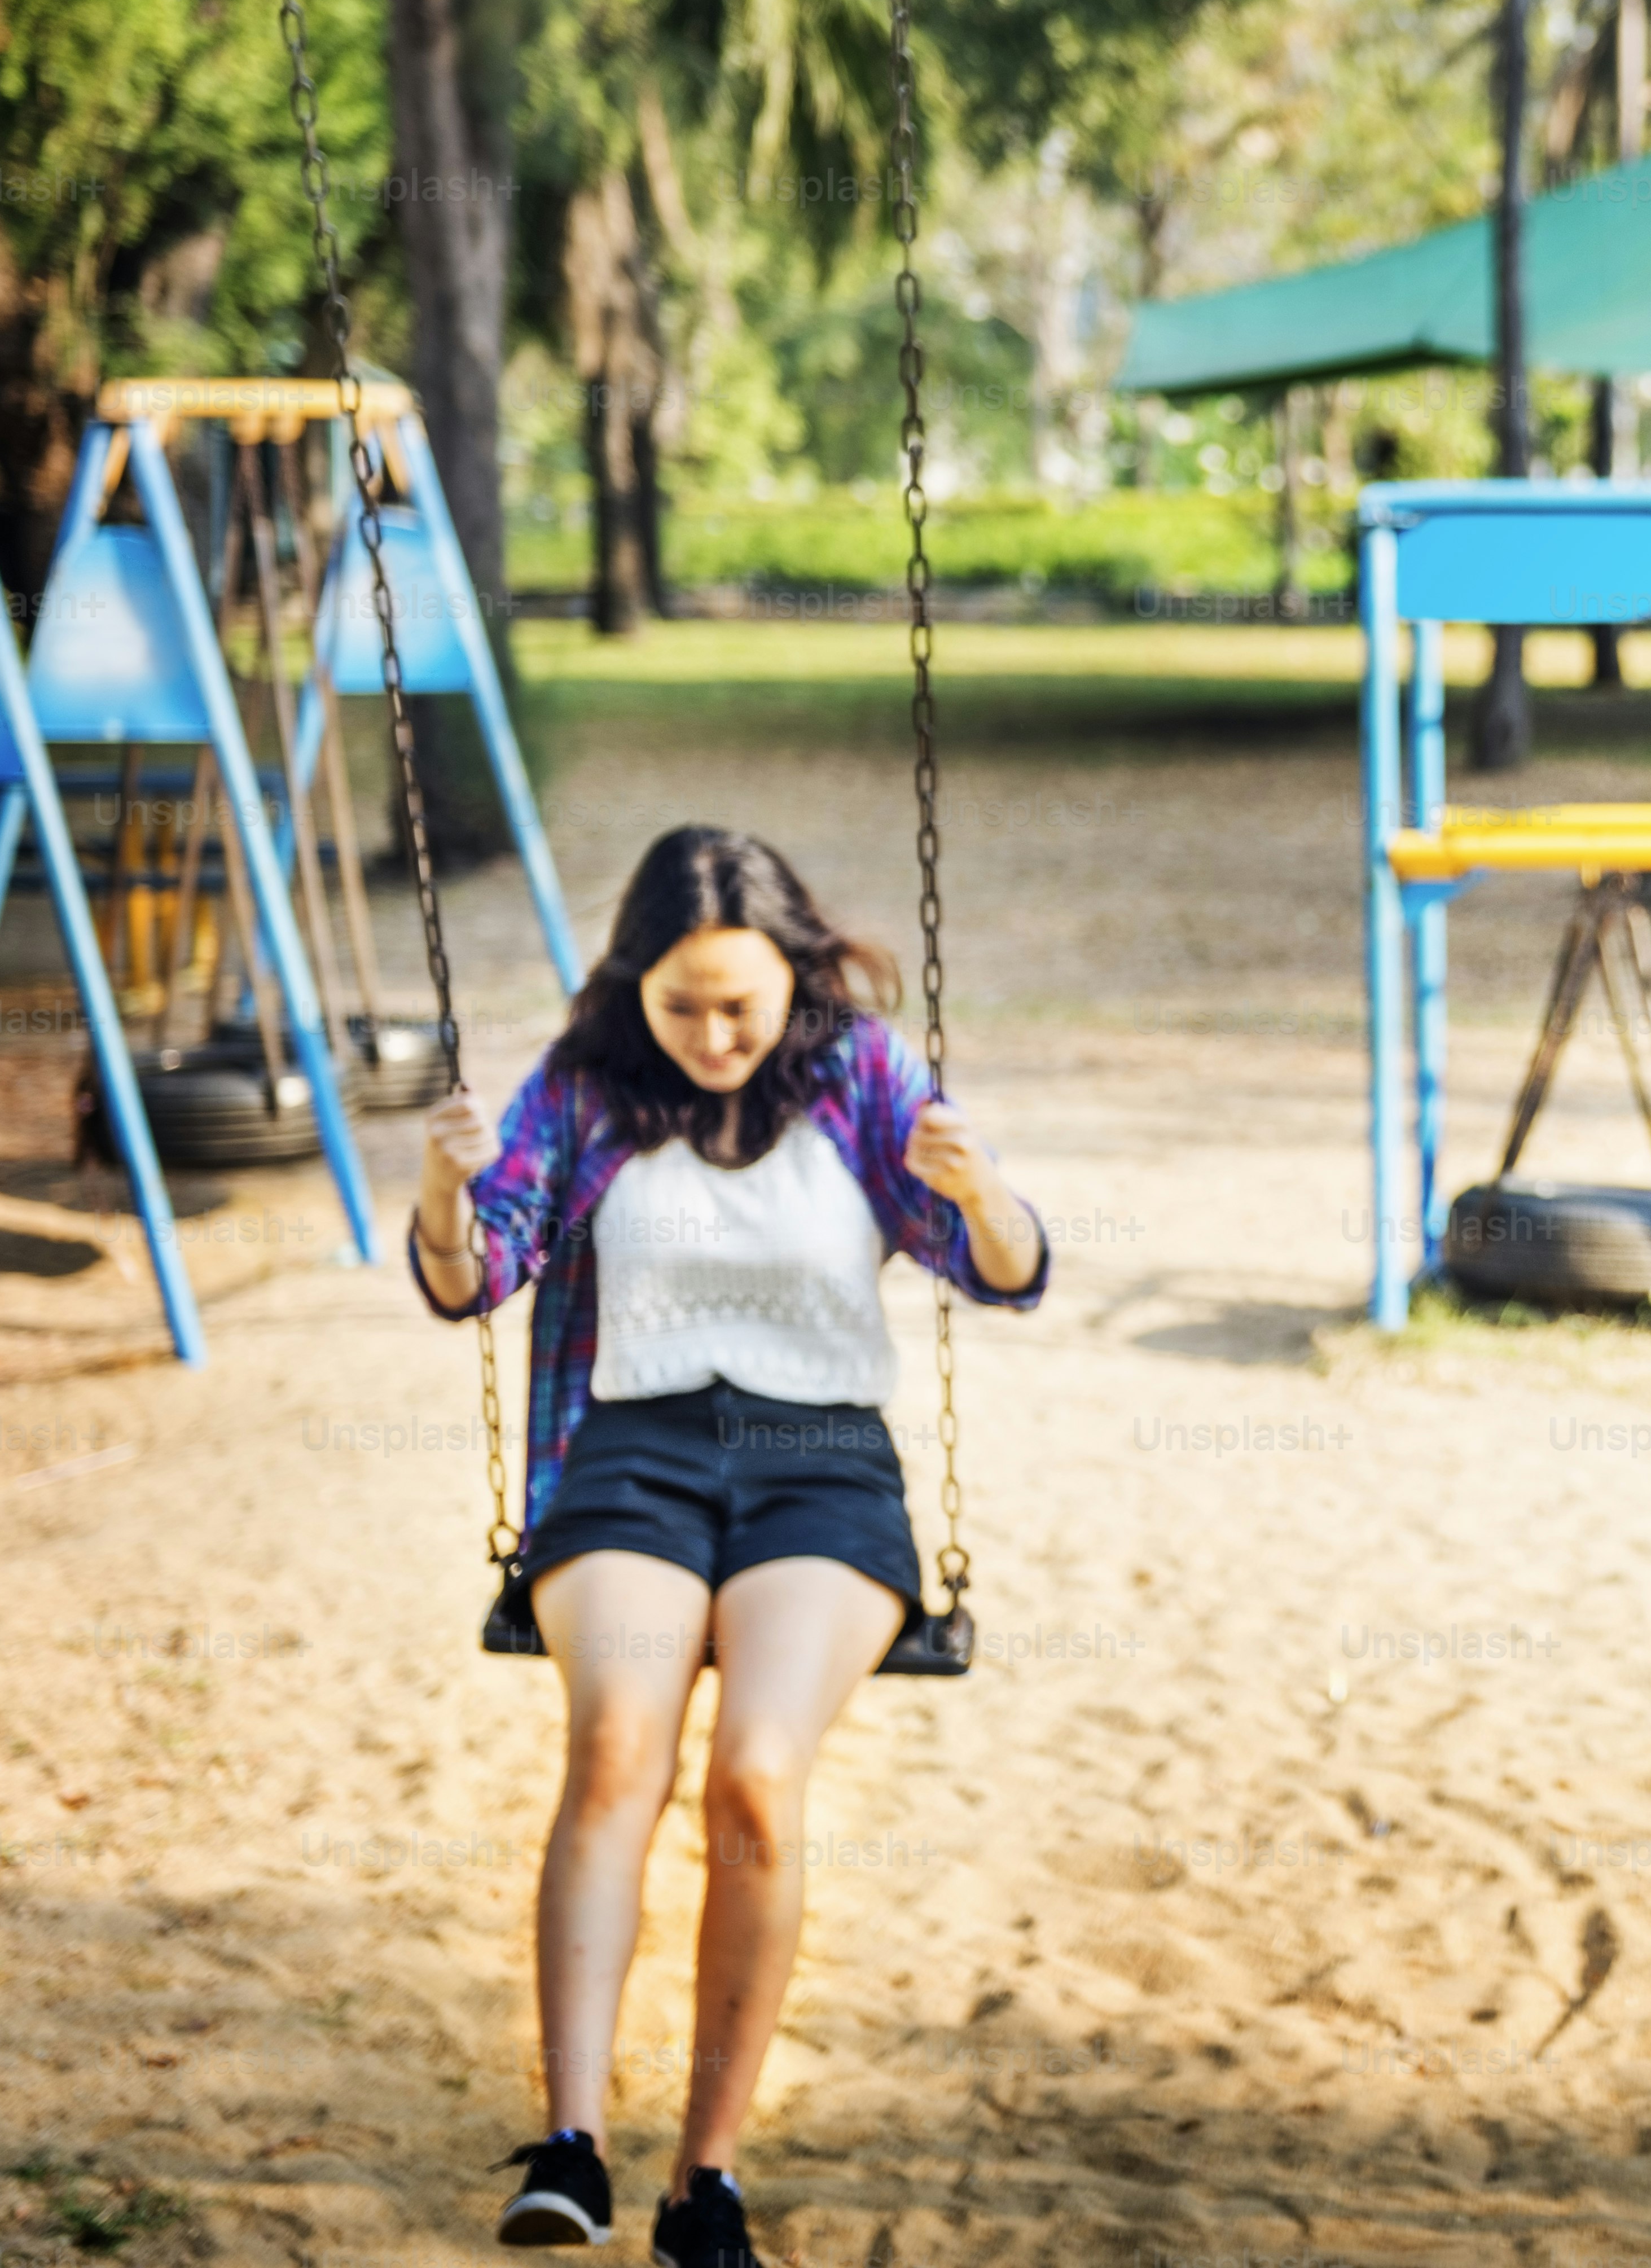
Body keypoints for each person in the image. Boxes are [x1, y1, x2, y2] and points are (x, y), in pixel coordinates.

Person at [414, 826, 1047, 2268]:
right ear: (637, 982)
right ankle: (569, 2147)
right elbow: (480, 1273)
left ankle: (707, 2180)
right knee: (619, 1742)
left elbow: (1003, 1273)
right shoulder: (584, 1088)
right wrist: (441, 1197)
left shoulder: (861, 1073)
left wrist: (978, 1188)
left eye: (740, 1008)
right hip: (628, 1456)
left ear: (794, 983)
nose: (710, 1035)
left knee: (754, 1773)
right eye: (681, 1003)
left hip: (820, 1470)